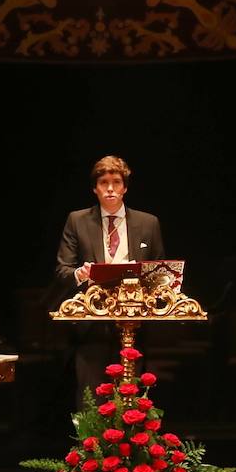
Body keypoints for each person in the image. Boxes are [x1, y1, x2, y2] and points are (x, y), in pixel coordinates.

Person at [53, 155, 166, 399]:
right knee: (91, 402)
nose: (111, 188)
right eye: (104, 182)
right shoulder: (77, 221)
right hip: (91, 330)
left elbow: (159, 276)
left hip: (135, 326)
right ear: (95, 188)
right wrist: (79, 274)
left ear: (125, 187)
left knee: (132, 401)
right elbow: (62, 271)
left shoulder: (149, 223)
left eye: (116, 182)